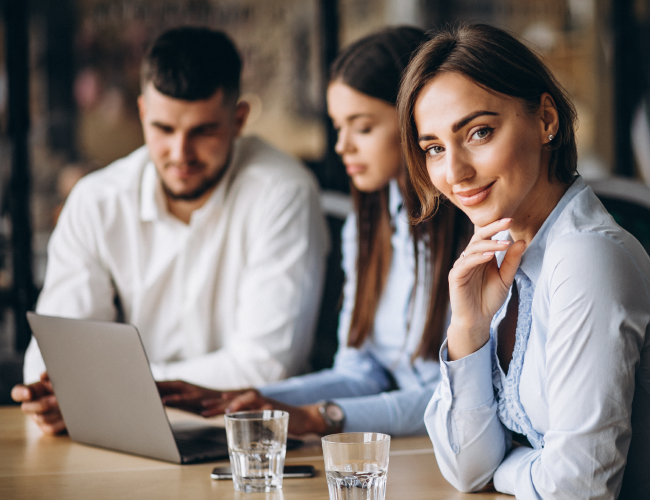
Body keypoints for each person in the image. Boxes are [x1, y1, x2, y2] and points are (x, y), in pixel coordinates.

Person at [397, 24, 650, 499]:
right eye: (433, 147)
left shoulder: (585, 258)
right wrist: (468, 330)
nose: (453, 172)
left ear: (546, 119)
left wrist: (508, 467)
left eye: (479, 132)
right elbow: (467, 469)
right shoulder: (503, 257)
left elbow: (577, 490)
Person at [156, 26, 472, 437]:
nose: (342, 146)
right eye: (338, 127)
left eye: (362, 127)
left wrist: (324, 416)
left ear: (416, 123)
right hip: (392, 449)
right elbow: (361, 373)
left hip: (445, 448)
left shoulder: (472, 229)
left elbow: (456, 397)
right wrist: (246, 397)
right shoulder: (369, 223)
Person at [11, 27, 328, 435]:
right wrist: (70, 392)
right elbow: (51, 361)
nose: (180, 153)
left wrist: (101, 389)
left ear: (239, 119)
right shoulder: (96, 201)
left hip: (247, 437)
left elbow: (265, 365)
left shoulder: (283, 192)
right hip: (118, 432)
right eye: (163, 129)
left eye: (203, 131)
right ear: (143, 114)